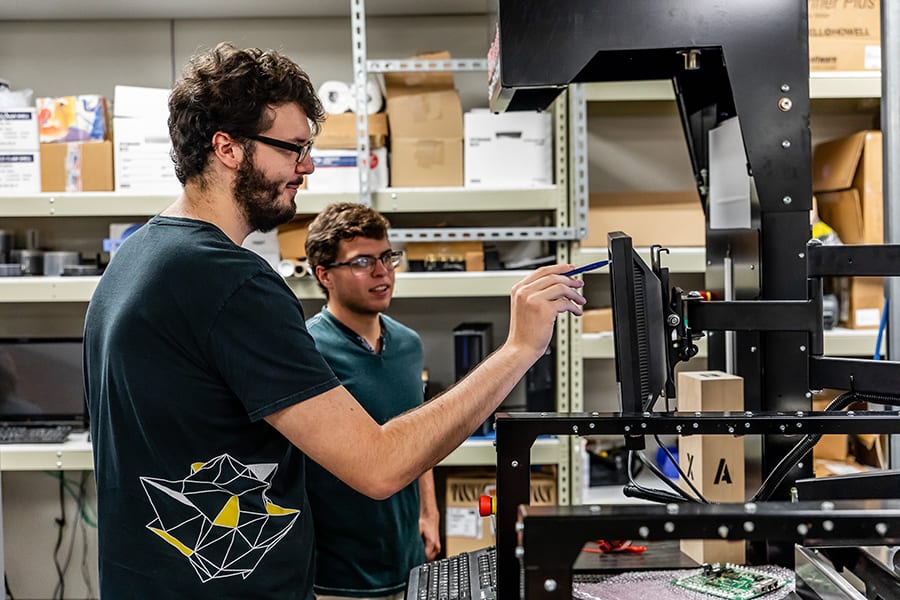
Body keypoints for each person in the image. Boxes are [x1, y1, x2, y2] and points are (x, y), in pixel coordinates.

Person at [83, 42, 586, 600]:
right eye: (292, 148)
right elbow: (379, 465)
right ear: (227, 147)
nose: (307, 166)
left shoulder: (133, 258)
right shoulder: (231, 281)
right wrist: (518, 350)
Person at [304, 203, 439, 600]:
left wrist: (428, 513)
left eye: (386, 257)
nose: (382, 272)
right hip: (336, 574)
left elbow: (417, 437)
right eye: (363, 261)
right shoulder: (307, 350)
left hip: (407, 561)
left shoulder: (409, 345)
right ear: (324, 275)